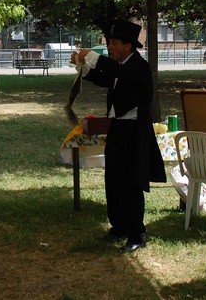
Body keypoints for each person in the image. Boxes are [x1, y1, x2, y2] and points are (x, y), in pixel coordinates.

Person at [71, 19, 166, 253]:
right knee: (113, 179)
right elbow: (103, 77)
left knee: (130, 182)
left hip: (134, 132)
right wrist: (82, 65)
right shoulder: (119, 66)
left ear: (128, 45)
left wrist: (91, 55)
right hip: (117, 129)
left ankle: (137, 233)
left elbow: (117, 72)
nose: (110, 47)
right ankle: (119, 226)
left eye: (113, 43)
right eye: (108, 43)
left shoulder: (138, 67)